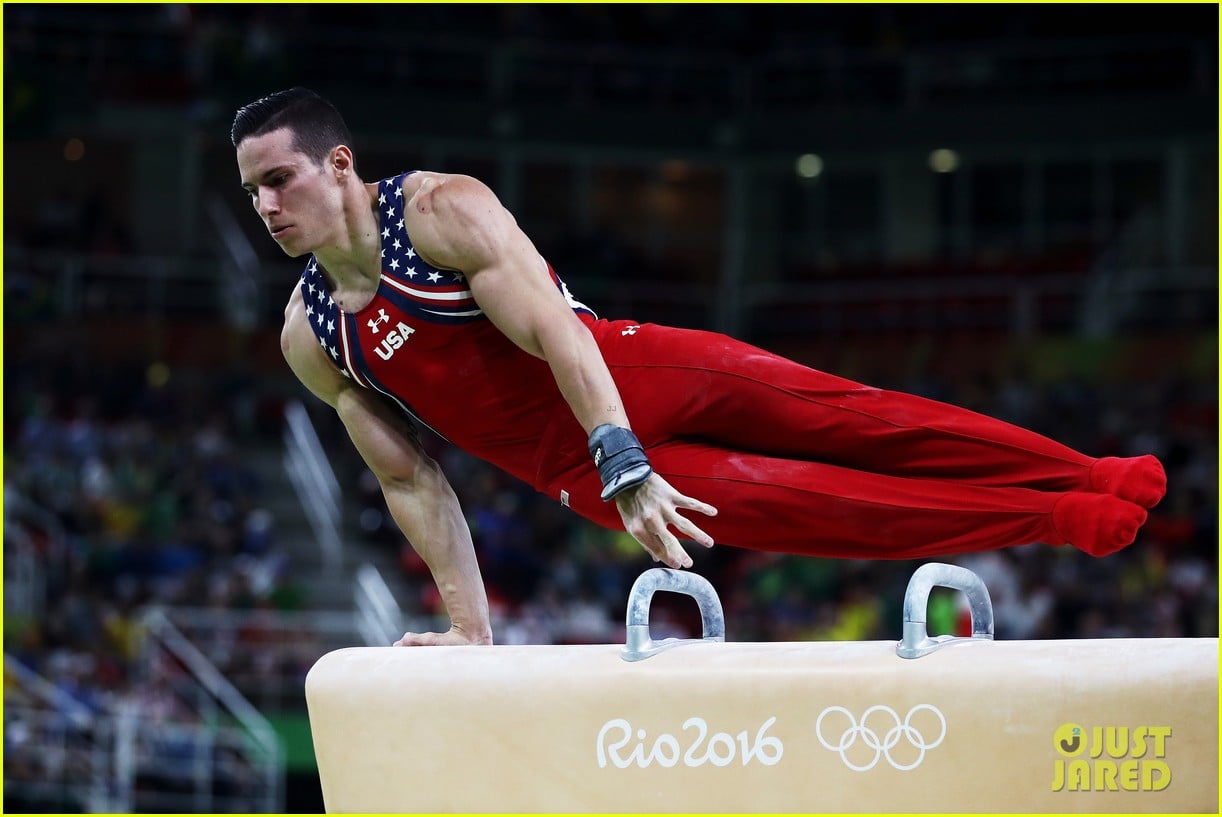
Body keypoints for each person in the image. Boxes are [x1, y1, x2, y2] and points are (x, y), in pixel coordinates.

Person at [231, 87, 1166, 646]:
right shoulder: (312, 339)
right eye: (252, 192)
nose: (266, 206)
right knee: (833, 508)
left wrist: (621, 453)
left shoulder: (441, 212)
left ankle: (1090, 471)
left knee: (863, 418)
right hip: (584, 473)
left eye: (280, 179)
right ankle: (1062, 515)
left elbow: (559, 332)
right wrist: (472, 626)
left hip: (639, 378)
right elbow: (413, 479)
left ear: (341, 164)